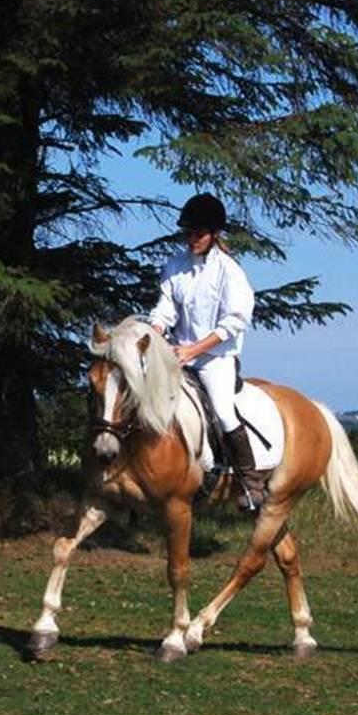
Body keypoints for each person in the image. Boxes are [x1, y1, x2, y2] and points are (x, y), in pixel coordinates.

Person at [149, 193, 268, 510]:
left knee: (223, 409)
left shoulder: (230, 271)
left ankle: (250, 482)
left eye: (198, 234)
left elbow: (234, 322)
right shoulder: (174, 266)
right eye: (188, 233)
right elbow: (164, 311)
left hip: (216, 358)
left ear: (214, 234)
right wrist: (155, 332)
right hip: (178, 354)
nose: (191, 240)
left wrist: (194, 350)